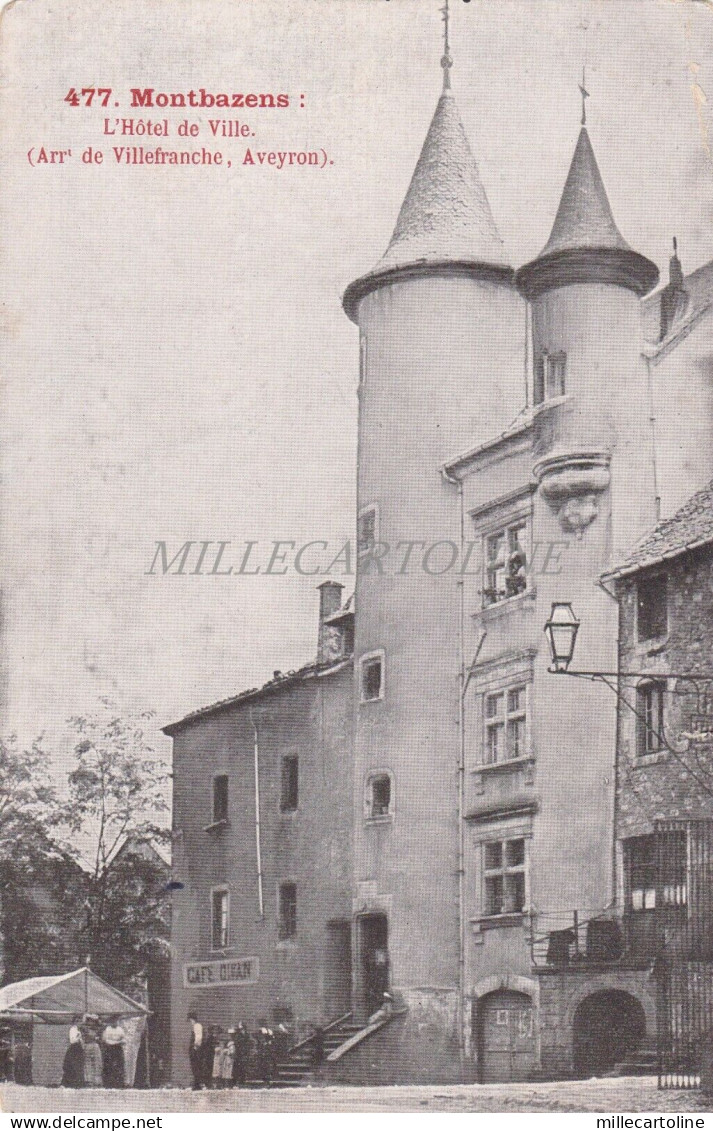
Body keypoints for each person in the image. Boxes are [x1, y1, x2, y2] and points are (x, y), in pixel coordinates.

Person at [101, 1015, 126, 1088]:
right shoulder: (107, 1029)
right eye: (113, 1021)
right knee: (109, 1065)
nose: (115, 1022)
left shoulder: (120, 1029)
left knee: (118, 1065)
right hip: (109, 1048)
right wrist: (116, 1042)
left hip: (118, 1049)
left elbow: (124, 1040)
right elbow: (105, 1040)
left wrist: (117, 1042)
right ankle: (108, 1083)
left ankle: (119, 1083)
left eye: (116, 1021)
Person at [61, 1016, 85, 1087]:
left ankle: (77, 1083)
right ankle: (69, 1083)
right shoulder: (73, 1029)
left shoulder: (78, 1030)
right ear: (75, 1022)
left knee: (78, 1066)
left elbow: (81, 1041)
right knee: (72, 1065)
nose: (80, 1023)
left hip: (78, 1048)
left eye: (80, 1021)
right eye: (78, 1021)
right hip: (74, 1048)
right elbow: (72, 1040)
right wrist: (78, 1037)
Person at [83, 1020, 103, 1088]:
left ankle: (97, 1081)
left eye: (93, 1021)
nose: (91, 1023)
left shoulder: (97, 1029)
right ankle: (89, 1081)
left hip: (95, 1045)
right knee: (88, 1063)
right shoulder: (85, 1029)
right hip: (88, 1045)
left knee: (97, 1063)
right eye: (90, 1021)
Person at [231, 1022, 251, 1087]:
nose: (242, 1030)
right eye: (241, 1029)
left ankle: (242, 1081)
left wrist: (247, 1051)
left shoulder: (247, 1035)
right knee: (237, 1068)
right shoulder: (238, 1035)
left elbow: (248, 1043)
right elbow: (236, 1043)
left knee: (243, 1067)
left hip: (244, 1053)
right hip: (238, 1053)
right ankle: (235, 1082)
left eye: (242, 1028)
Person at [188, 1012, 203, 1090]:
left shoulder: (197, 1026)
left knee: (196, 1066)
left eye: (190, 1020)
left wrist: (195, 1047)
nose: (190, 1022)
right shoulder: (195, 1026)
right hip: (194, 1049)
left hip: (195, 1049)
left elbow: (198, 1037)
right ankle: (196, 1083)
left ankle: (197, 1084)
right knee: (194, 1067)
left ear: (192, 1019)